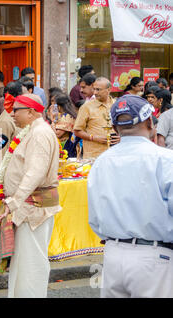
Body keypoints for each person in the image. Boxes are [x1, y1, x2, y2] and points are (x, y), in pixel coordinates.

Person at [88, 94, 173, 298]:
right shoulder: (165, 159)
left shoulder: (101, 162)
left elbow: (95, 218)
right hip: (155, 256)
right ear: (149, 122)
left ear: (116, 128)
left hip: (113, 254)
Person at [0, 94, 61, 297]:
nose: (12, 114)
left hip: (33, 207)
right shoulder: (33, 131)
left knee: (31, 262)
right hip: (30, 206)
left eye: (16, 110)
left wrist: (15, 201)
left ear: (31, 112)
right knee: (24, 261)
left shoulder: (39, 133)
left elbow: (35, 172)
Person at [73, 77, 119, 159]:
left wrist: (122, 138)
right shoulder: (86, 107)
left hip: (115, 154)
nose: (95, 93)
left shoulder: (118, 105)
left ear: (109, 90)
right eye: (94, 89)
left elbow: (128, 128)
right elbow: (77, 131)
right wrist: (93, 137)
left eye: (98, 90)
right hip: (94, 156)